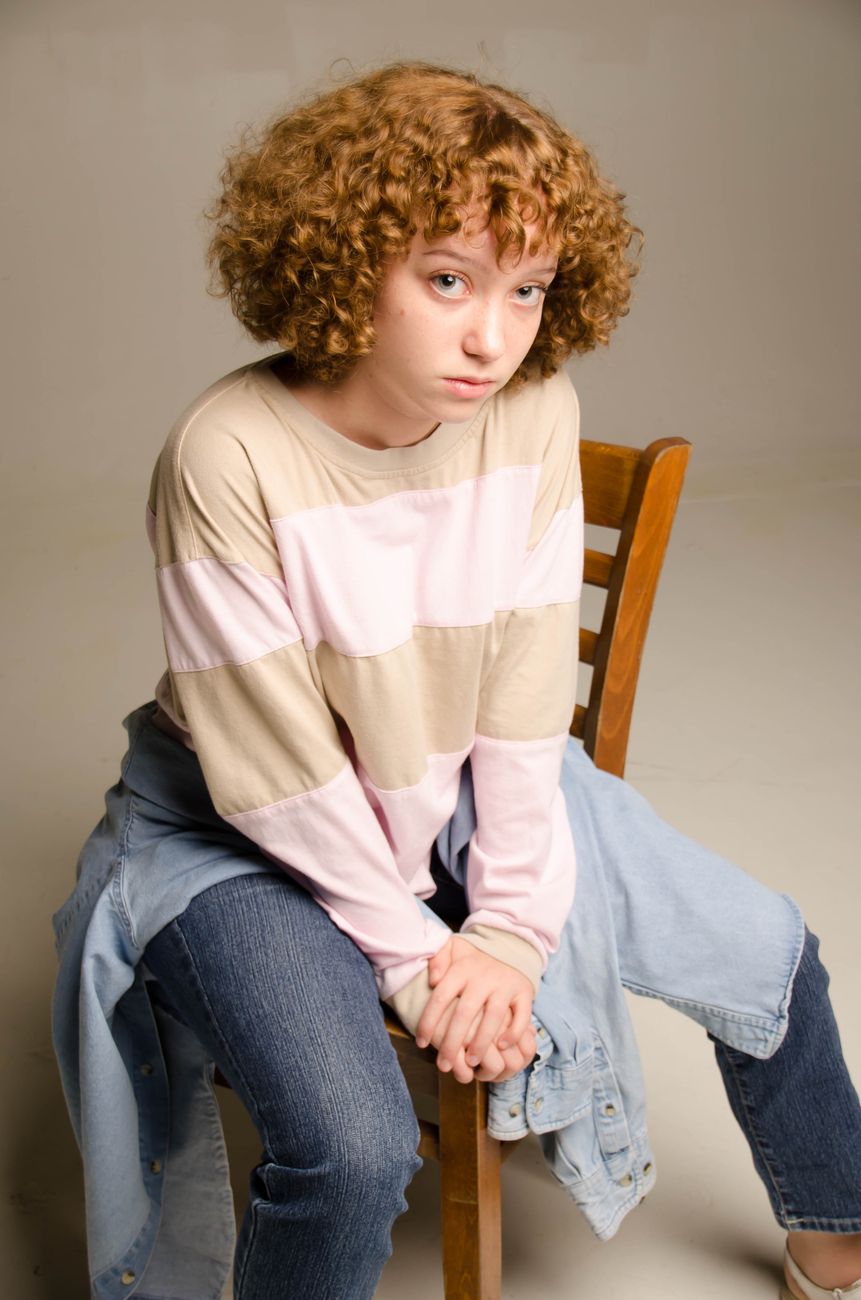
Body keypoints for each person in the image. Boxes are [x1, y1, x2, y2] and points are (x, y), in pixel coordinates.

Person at [51, 61, 861, 1300]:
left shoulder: (534, 407)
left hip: (460, 779)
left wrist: (511, 931)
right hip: (242, 826)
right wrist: (423, 965)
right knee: (352, 1149)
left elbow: (526, 695)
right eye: (447, 280)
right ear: (340, 259)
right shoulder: (226, 453)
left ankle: (838, 1236)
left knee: (771, 951)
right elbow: (277, 776)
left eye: (527, 288)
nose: (496, 336)